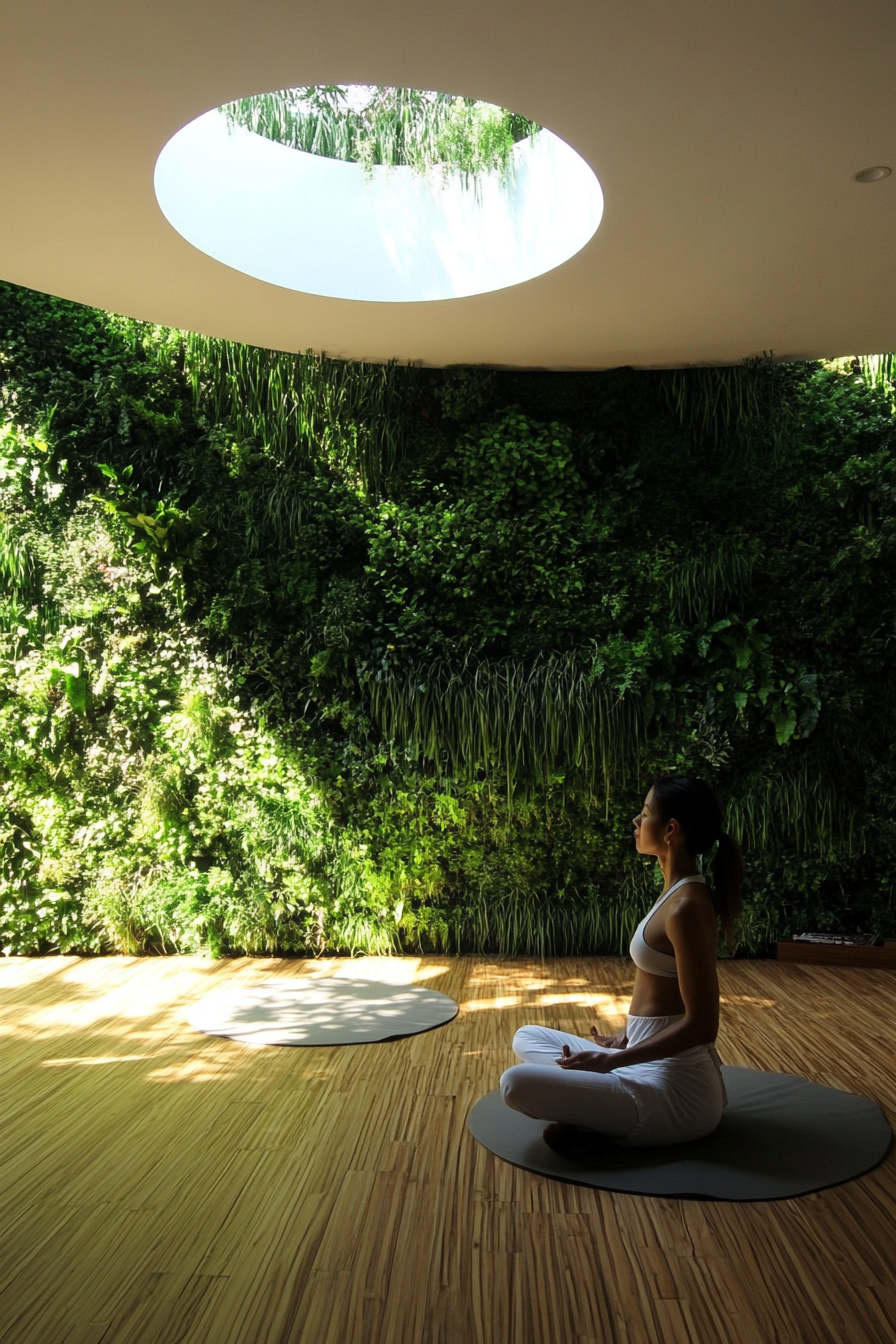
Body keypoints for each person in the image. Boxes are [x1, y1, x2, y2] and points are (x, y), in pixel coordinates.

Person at [500, 776, 744, 1153]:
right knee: (526, 1036)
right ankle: (595, 1115)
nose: (636, 821)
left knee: (515, 1083)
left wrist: (611, 1062)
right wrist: (626, 1037)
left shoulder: (687, 907)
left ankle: (603, 1123)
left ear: (671, 830)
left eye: (645, 813)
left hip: (676, 1091)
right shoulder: (674, 891)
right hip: (640, 1056)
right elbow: (664, 1000)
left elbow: (702, 1025)